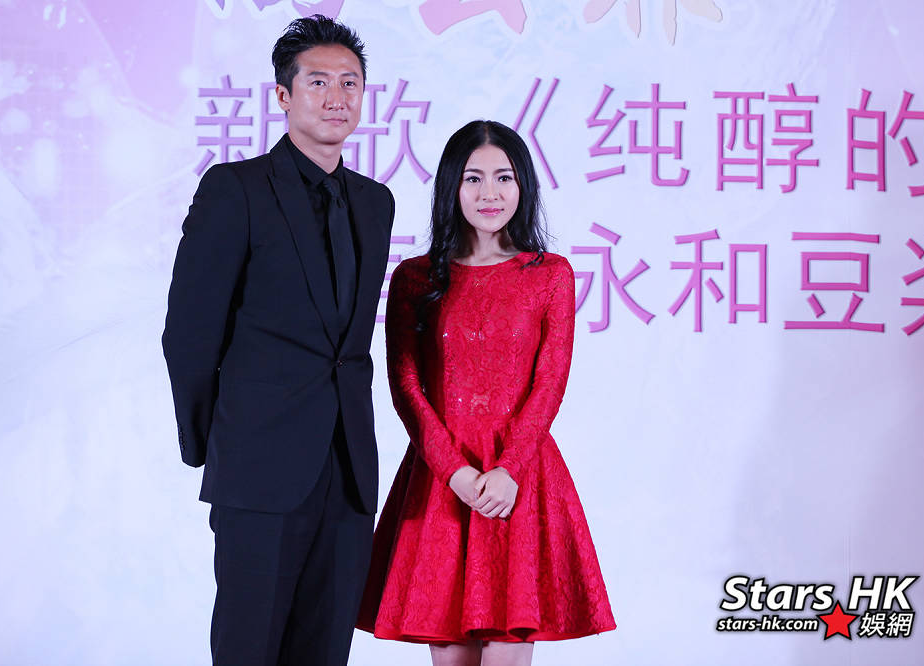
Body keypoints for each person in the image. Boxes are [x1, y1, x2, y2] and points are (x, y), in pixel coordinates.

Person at [161, 15, 394, 665]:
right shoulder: (235, 190)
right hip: (257, 467)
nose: (337, 96)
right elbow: (189, 332)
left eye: (350, 82)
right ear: (284, 96)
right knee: (249, 647)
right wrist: (213, 442)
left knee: (326, 651)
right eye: (318, 82)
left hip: (348, 471)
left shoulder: (375, 204)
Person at [356, 120, 616, 665]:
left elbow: (550, 382)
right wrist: (455, 472)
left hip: (517, 481)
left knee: (507, 648)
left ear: (524, 186)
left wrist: (509, 469)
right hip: (441, 480)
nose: (489, 193)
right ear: (452, 186)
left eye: (504, 177)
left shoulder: (549, 275)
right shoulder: (415, 278)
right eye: (473, 178)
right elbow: (406, 385)